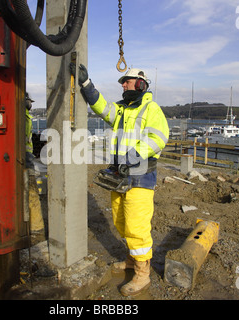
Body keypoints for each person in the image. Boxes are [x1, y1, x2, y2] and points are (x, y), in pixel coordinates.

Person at [70, 64, 169, 296]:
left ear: (141, 84)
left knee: (137, 226)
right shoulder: (122, 109)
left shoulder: (151, 108)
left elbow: (159, 138)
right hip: (121, 175)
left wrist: (133, 157)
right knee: (121, 221)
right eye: (123, 82)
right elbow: (103, 108)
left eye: (127, 81)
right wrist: (86, 85)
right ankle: (132, 259)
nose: (123, 85)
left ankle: (143, 274)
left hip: (141, 176)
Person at [25, 93, 45, 234]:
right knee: (30, 191)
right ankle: (35, 226)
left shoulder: (25, 115)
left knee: (30, 191)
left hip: (26, 157)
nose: (30, 105)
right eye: (28, 102)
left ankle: (35, 225)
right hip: (23, 157)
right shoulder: (22, 115)